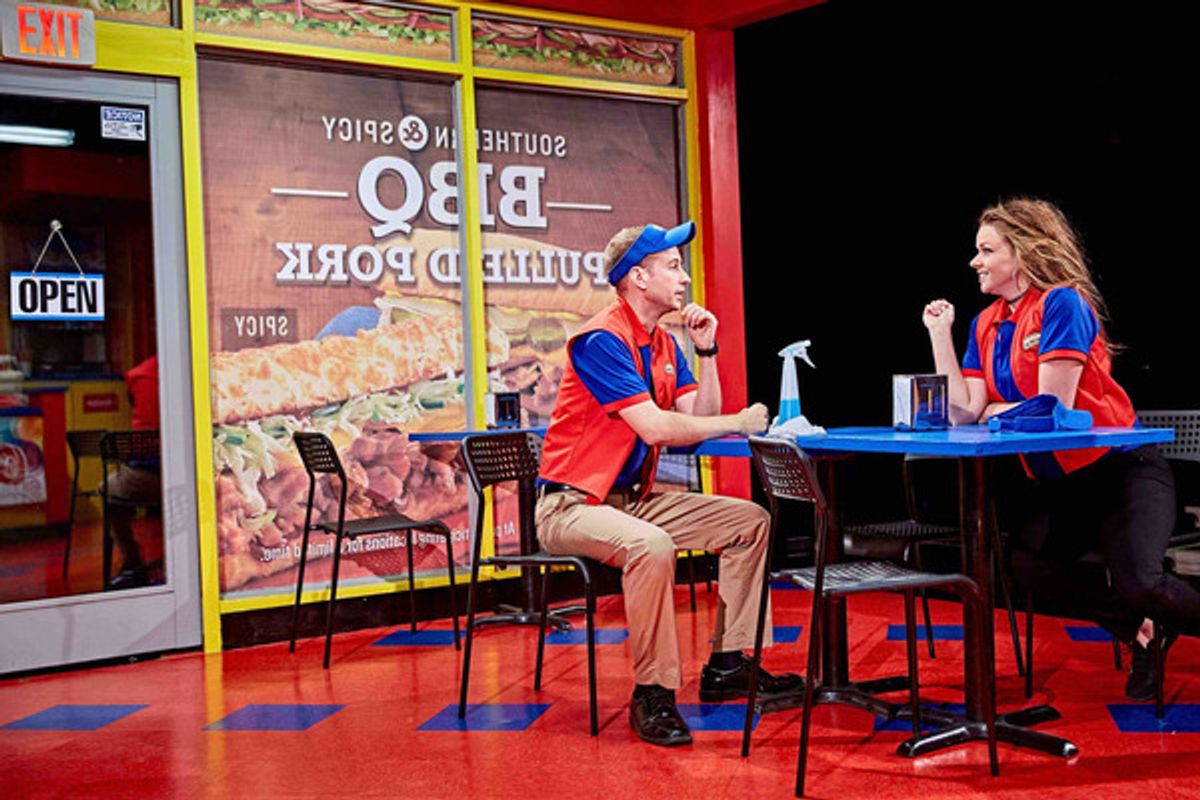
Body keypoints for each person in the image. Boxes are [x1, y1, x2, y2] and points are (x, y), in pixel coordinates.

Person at [922, 198, 1200, 701]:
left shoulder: (1062, 304)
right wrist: (940, 336)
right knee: (1027, 565)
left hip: (1123, 472)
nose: (974, 261)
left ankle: (1148, 617)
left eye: (986, 250)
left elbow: (1052, 408)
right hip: (1064, 484)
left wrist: (995, 411)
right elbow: (962, 411)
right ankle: (1142, 633)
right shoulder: (984, 323)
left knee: (1142, 582)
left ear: (1022, 253)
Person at [536, 221, 800, 747]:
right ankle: (652, 691)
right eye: (673, 266)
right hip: (570, 506)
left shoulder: (663, 344)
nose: (684, 278)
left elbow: (693, 421)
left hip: (632, 504)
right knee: (650, 546)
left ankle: (729, 663)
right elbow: (657, 428)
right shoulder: (599, 341)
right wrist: (739, 422)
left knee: (749, 520)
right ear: (638, 276)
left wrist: (706, 351)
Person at [106, 354, 161, 589]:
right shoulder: (188, 369)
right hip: (184, 475)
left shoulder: (137, 374)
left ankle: (132, 561)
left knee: (108, 491)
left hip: (145, 475)